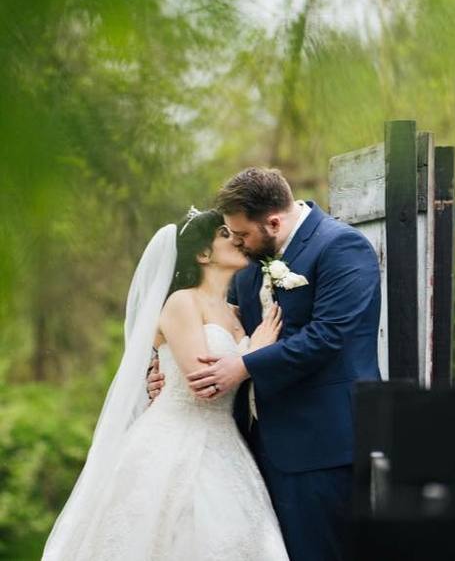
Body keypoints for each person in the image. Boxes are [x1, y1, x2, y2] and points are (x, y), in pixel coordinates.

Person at [148, 167, 382, 561]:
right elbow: (208, 329)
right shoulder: (250, 268)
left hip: (322, 444)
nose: (237, 242)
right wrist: (162, 372)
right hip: (252, 448)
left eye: (241, 234)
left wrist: (244, 366)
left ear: (273, 222)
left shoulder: (341, 247)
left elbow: (327, 335)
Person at [42, 208, 290, 561]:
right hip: (174, 440)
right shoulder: (181, 302)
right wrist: (256, 352)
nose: (236, 238)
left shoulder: (236, 312)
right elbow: (203, 384)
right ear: (202, 254)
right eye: (224, 233)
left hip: (226, 443)